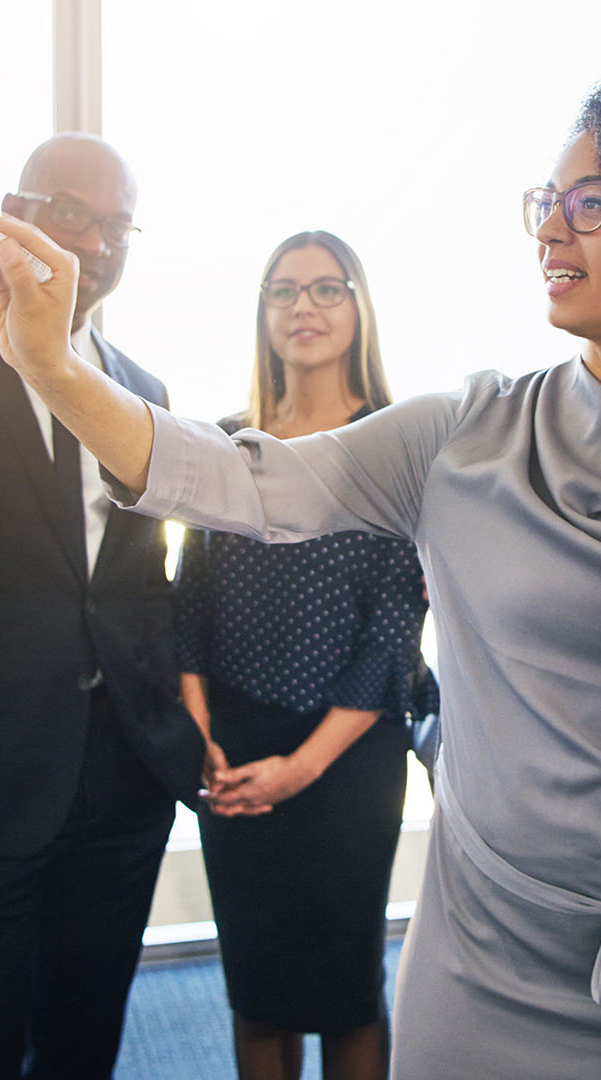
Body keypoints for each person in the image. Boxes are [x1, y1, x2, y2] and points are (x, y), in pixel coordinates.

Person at [0, 52, 601, 1080]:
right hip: (488, 957)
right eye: (548, 201)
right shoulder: (460, 437)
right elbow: (231, 479)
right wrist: (53, 367)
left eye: (591, 201)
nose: (551, 229)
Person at [0, 132, 206, 1080]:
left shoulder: (142, 392)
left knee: (86, 1030)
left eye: (118, 225)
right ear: (14, 212)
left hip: (122, 778)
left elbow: (137, 582)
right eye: (73, 213)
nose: (98, 243)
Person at [172, 230, 429, 1080]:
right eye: (282, 291)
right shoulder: (225, 442)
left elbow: (394, 628)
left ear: (359, 308)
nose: (302, 307)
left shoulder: (395, 448)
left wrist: (303, 768)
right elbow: (190, 603)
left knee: (346, 986)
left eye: (326, 288)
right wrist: (201, 741)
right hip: (233, 748)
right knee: (255, 985)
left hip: (348, 755)